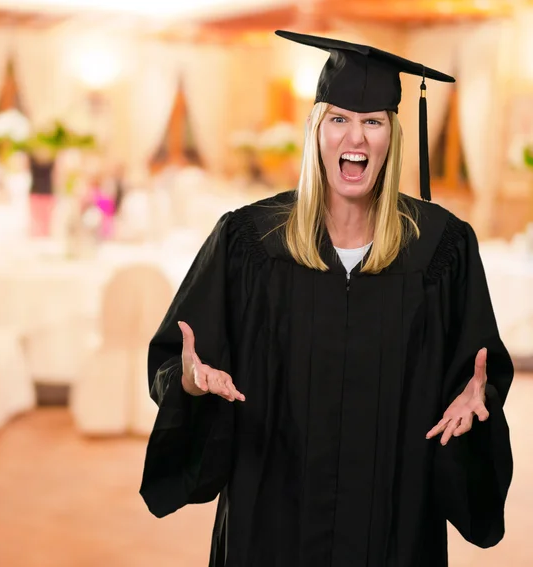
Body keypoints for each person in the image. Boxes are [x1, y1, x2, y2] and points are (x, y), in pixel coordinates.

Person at [139, 30, 513, 567]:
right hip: (271, 522)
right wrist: (191, 382)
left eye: (372, 121)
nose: (354, 136)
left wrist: (480, 407)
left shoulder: (441, 250)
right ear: (316, 130)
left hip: (393, 523)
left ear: (392, 135)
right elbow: (176, 358)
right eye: (338, 118)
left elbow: (479, 379)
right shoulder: (249, 242)